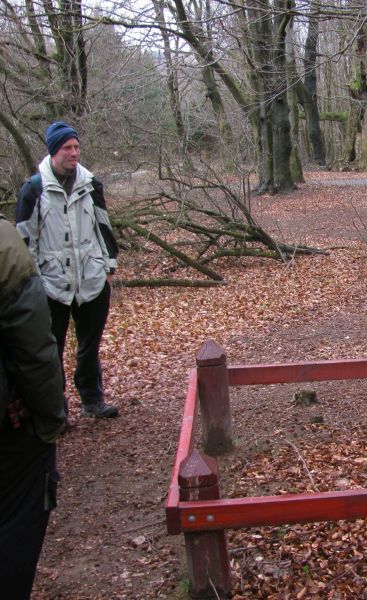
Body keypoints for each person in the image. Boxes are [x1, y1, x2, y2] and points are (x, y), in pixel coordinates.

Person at [16, 121, 119, 418]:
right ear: (53, 152)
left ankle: (92, 400)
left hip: (91, 279)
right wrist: (33, 283)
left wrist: (108, 267)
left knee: (89, 346)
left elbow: (104, 227)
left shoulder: (91, 184)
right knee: (52, 349)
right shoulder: (34, 189)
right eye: (67, 148)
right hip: (52, 285)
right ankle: (56, 408)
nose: (74, 153)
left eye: (76, 147)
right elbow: (24, 240)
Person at [0, 216, 67, 599]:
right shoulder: (5, 243)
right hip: (10, 439)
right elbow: (35, 349)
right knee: (15, 527)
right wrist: (51, 418)